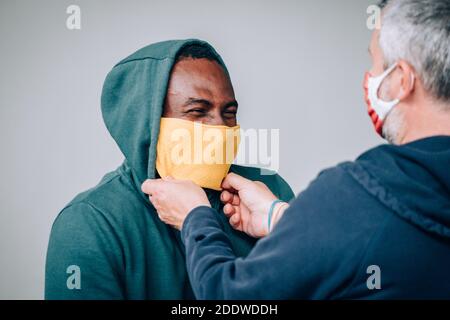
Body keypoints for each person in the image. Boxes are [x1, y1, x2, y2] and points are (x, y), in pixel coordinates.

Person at [142, 0, 450, 299]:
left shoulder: (358, 193)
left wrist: (195, 218)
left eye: (375, 63)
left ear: (400, 80)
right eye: (198, 111)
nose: (369, 78)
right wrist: (281, 217)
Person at [45, 40, 294, 299]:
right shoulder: (91, 223)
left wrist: (283, 225)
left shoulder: (267, 193)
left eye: (229, 113)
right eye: (198, 111)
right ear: (147, 123)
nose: (220, 127)